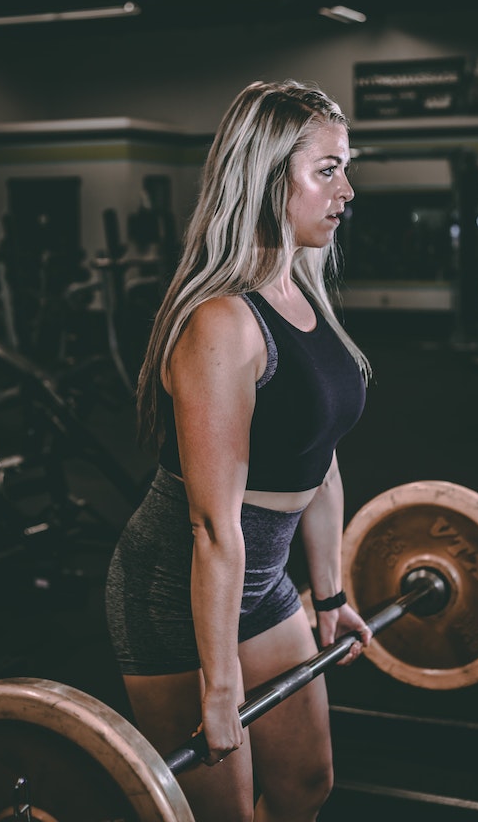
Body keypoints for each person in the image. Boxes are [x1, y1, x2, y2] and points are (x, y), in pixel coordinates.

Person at [105, 79, 372, 822]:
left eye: (345, 168)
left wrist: (332, 596)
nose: (347, 189)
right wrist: (219, 689)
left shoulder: (304, 295)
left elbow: (322, 459)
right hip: (176, 593)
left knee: (305, 784)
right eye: (327, 170)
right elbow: (212, 527)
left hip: (261, 581)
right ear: (265, 176)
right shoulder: (224, 322)